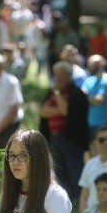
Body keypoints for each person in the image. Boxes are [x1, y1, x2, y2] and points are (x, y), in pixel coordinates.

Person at [39, 60, 89, 204]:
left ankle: (81, 201)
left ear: (68, 76)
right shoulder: (51, 92)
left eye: (61, 75)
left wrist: (58, 95)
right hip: (54, 138)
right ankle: (67, 201)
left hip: (71, 140)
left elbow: (66, 110)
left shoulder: (75, 93)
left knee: (75, 172)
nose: (58, 78)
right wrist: (57, 110)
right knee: (60, 173)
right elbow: (43, 111)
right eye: (56, 75)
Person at [81, 54, 107, 141]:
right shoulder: (89, 80)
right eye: (90, 64)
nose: (92, 66)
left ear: (103, 63)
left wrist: (86, 96)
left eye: (95, 63)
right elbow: (81, 98)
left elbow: (97, 101)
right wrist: (89, 98)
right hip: (88, 123)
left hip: (103, 124)